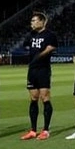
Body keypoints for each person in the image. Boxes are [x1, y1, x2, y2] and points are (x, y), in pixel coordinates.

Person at [23, 12, 58, 140]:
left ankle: (46, 130)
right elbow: (26, 46)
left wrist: (39, 55)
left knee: (45, 97)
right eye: (31, 21)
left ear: (42, 22)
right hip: (32, 70)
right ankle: (33, 130)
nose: (32, 23)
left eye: (34, 20)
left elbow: (50, 48)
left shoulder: (50, 35)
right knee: (33, 98)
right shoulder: (31, 35)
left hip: (43, 69)